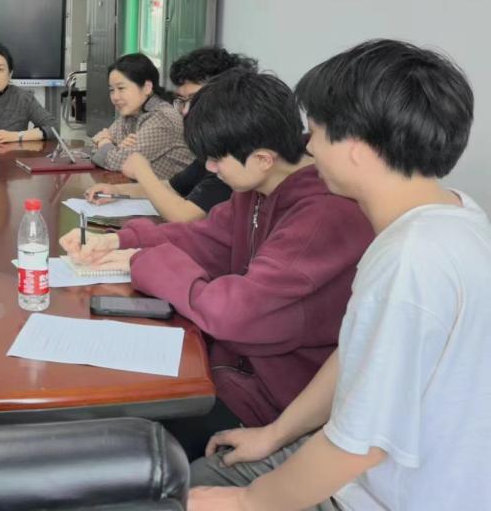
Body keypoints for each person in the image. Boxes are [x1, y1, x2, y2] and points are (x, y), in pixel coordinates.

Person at [188, 40, 490, 511]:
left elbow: (360, 446)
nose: (307, 146)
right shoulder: (454, 217)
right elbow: (358, 359)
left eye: (316, 132)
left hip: (379, 496)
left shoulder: (412, 259)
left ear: (356, 148)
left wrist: (248, 502)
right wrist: (275, 434)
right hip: (362, 473)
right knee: (202, 473)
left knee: (182, 491)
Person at [61, 69, 373, 456]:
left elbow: (235, 314)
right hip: (231, 371)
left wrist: (145, 260)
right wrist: (121, 239)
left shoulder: (321, 217)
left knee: (118, 439)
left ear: (263, 158)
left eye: (215, 159)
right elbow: (207, 237)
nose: (209, 169)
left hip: (274, 403)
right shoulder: (258, 187)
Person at [86, 47, 258, 221]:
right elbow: (172, 186)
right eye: (182, 101)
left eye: (194, 99)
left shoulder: (237, 154)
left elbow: (185, 216)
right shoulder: (210, 152)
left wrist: (141, 170)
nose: (185, 111)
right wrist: (116, 190)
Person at [90, 52, 195, 176]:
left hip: (169, 188)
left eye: (121, 88)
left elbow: (117, 162)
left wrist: (104, 143)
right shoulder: (131, 113)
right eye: (112, 90)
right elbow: (94, 149)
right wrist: (112, 147)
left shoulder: (162, 118)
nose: (115, 97)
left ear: (147, 87)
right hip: (138, 185)